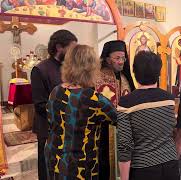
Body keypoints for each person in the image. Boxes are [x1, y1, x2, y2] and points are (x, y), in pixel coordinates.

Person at [45, 44, 117, 179]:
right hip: (79, 166)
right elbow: (120, 118)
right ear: (91, 68)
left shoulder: (55, 91)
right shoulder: (94, 99)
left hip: (54, 158)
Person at [117, 51, 179, 180]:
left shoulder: (126, 103)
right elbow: (172, 131)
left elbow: (124, 145)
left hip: (143, 168)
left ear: (134, 72)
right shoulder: (169, 99)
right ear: (159, 73)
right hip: (170, 165)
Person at [31, 29, 77, 180]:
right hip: (48, 129)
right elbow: (40, 104)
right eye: (71, 48)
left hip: (68, 128)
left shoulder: (70, 69)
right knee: (48, 170)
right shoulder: (40, 70)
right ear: (59, 47)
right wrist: (66, 112)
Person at [96, 40, 135, 180]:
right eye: (117, 58)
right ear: (107, 59)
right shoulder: (97, 77)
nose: (121, 62)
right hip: (103, 131)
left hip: (123, 130)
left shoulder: (125, 78)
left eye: (123, 58)